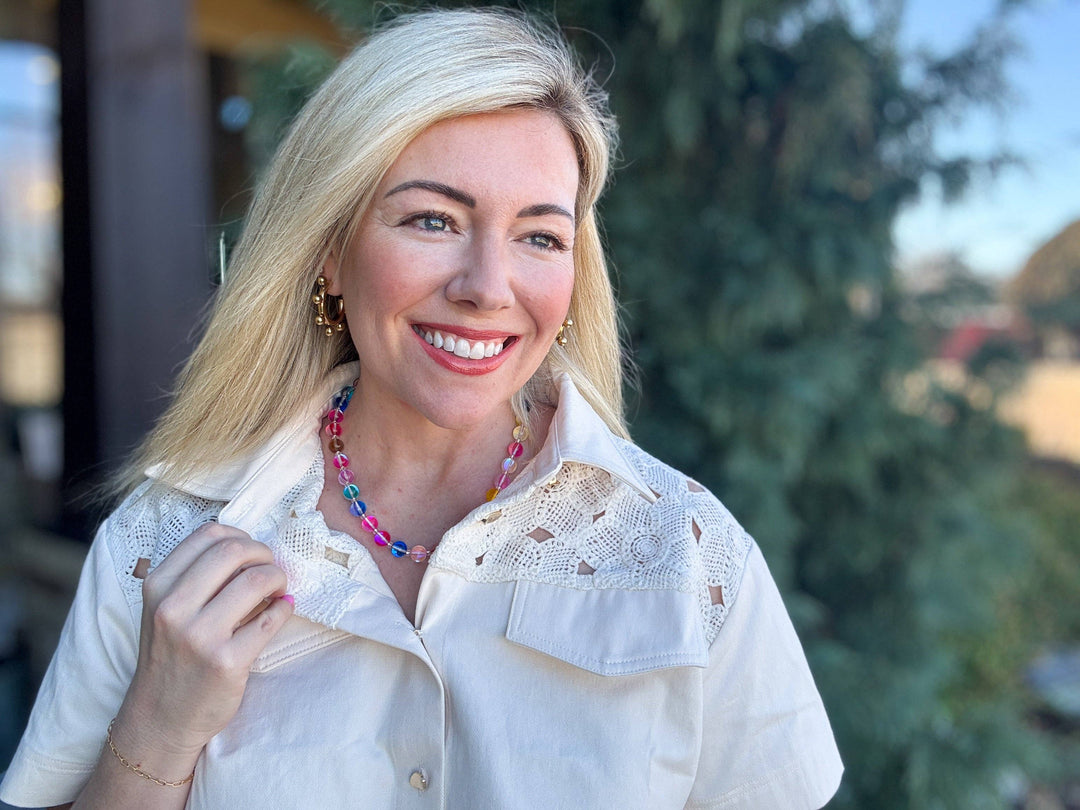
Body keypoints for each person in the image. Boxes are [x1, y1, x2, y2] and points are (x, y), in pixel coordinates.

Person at [0, 8, 843, 809]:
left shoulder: (690, 558)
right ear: (328, 254)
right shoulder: (161, 545)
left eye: (540, 236)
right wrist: (158, 724)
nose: (486, 287)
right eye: (434, 220)